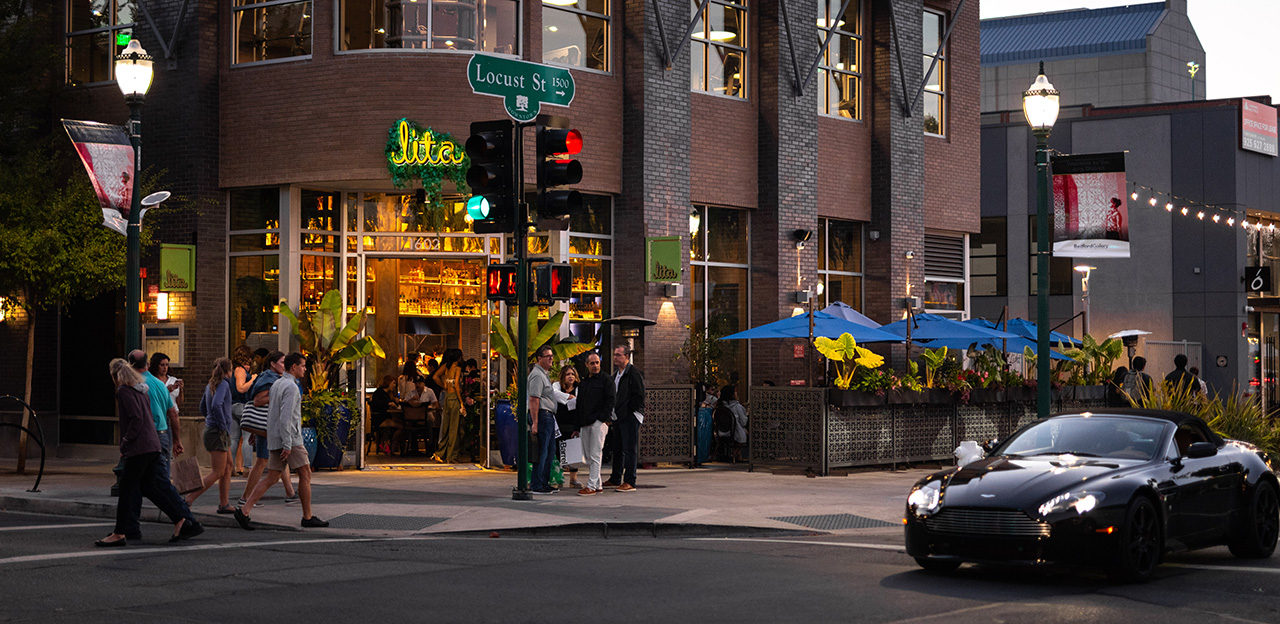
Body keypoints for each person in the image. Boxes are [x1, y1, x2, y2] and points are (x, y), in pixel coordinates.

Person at [96, 359, 202, 547]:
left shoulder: (124, 392)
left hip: (141, 446)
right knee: (148, 486)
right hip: (153, 443)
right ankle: (180, 519)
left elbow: (136, 419)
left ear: (114, 375)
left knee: (127, 487)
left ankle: (120, 533)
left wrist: (126, 441)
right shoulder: (142, 390)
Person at [235, 352, 329, 529]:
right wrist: (287, 444)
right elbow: (286, 417)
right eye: (302, 366)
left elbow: (272, 412)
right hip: (290, 438)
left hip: (276, 436)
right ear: (294, 367)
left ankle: (244, 509)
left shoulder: (277, 383)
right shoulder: (291, 387)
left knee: (272, 476)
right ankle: (307, 517)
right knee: (305, 473)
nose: (305, 369)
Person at [237, 351, 298, 508]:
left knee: (279, 459)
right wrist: (278, 396)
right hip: (267, 424)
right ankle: (246, 497)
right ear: (273, 363)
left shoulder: (272, 378)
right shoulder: (268, 378)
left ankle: (290, 493)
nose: (285, 366)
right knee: (263, 461)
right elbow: (258, 401)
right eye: (282, 363)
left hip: (269, 424)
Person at [186, 357, 236, 514]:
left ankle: (224, 503)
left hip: (213, 429)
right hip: (218, 431)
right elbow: (216, 405)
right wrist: (221, 424)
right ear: (229, 371)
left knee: (228, 466)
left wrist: (210, 418)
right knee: (218, 472)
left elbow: (203, 406)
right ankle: (189, 499)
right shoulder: (224, 385)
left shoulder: (211, 384)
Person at [131, 350, 182, 482]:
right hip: (162, 430)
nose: (165, 368)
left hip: (145, 431)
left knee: (142, 471)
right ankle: (168, 497)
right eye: (162, 365)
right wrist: (177, 439)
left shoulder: (135, 384)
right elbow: (173, 414)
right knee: (163, 468)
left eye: (166, 365)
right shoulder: (160, 385)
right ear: (148, 364)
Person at [605, 344, 645, 492]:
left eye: (619, 355)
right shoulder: (616, 374)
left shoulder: (633, 373)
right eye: (615, 354)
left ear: (627, 356)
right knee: (617, 448)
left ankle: (630, 480)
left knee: (629, 449)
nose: (615, 357)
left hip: (629, 416)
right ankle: (615, 477)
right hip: (618, 416)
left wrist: (629, 411)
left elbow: (639, 395)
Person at [574, 352, 615, 496]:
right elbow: (579, 404)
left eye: (597, 362)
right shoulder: (584, 382)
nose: (595, 366)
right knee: (589, 455)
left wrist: (603, 418)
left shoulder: (606, 380)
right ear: (586, 365)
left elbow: (611, 400)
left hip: (598, 422)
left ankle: (591, 485)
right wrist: (577, 426)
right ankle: (597, 484)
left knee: (596, 454)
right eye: (592, 363)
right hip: (585, 422)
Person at [528, 346, 558, 494]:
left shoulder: (544, 374)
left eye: (552, 356)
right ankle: (536, 484)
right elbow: (534, 399)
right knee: (542, 451)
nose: (551, 359)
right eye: (548, 356)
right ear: (539, 358)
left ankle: (544, 482)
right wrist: (535, 422)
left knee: (549, 451)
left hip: (548, 415)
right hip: (542, 415)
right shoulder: (537, 375)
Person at [229, 346, 257, 476]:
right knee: (247, 437)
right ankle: (248, 467)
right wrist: (252, 379)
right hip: (242, 405)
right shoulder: (240, 371)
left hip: (233, 405)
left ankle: (230, 467)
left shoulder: (235, 370)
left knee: (234, 438)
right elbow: (240, 388)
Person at [433, 348, 465, 463]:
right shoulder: (457, 368)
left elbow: (435, 376)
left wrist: (444, 386)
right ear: (458, 357)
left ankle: (440, 453)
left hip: (447, 397)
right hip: (454, 398)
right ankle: (451, 455)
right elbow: (456, 385)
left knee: (446, 426)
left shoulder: (446, 366)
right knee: (454, 428)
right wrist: (461, 402)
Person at [552, 365, 580, 488]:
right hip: (559, 424)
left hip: (573, 424)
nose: (571, 376)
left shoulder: (579, 388)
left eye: (573, 374)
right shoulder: (557, 386)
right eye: (568, 374)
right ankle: (559, 478)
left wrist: (569, 400)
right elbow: (555, 394)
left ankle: (573, 480)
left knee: (574, 452)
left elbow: (579, 403)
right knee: (558, 452)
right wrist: (569, 397)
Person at [370, 374, 401, 454]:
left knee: (400, 424)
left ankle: (389, 444)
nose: (394, 385)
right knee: (401, 426)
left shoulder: (388, 394)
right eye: (393, 383)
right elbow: (376, 403)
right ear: (388, 383)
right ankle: (392, 445)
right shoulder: (379, 392)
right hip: (379, 418)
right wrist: (388, 404)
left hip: (385, 417)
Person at [719, 385, 748, 462]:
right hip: (735, 432)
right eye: (735, 392)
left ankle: (738, 454)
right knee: (745, 431)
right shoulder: (737, 407)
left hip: (721, 431)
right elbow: (743, 422)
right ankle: (736, 452)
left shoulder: (720, 406)